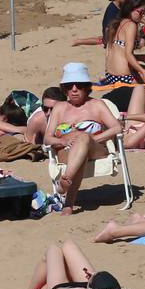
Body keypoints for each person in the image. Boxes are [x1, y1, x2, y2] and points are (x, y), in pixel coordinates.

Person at [44, 63, 124, 214]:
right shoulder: (59, 108)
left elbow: (116, 127)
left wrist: (94, 139)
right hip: (67, 151)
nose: (74, 89)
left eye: (79, 85)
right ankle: (68, 199)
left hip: (95, 148)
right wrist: (62, 141)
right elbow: (47, 138)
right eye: (69, 86)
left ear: (87, 87)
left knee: (83, 140)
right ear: (64, 89)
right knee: (80, 151)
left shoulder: (97, 105)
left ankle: (66, 184)